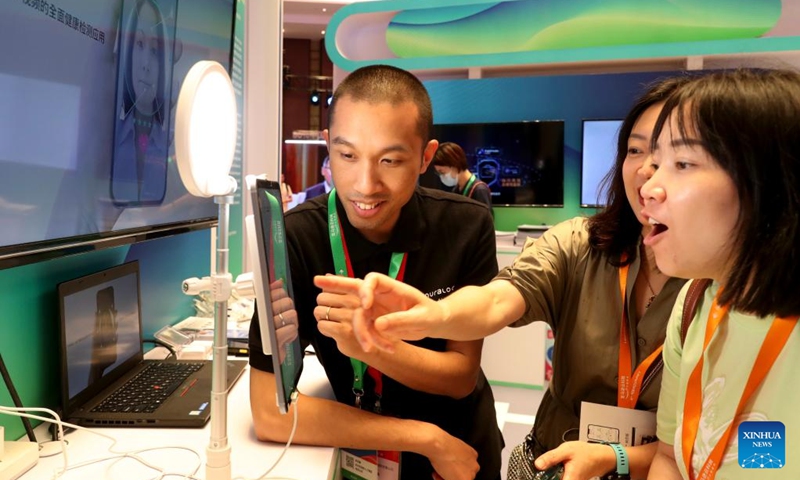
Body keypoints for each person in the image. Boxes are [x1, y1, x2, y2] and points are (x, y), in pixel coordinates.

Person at [317, 76, 693, 480]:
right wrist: (436, 314)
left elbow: (751, 448)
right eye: (636, 150)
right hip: (549, 466)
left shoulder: (738, 299)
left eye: (680, 160)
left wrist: (620, 458)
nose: (650, 176)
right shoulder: (580, 244)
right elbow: (498, 299)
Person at [248, 64, 503, 480]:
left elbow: (460, 376)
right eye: (347, 155)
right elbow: (271, 414)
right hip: (369, 448)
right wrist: (423, 437)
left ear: (425, 157)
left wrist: (365, 344)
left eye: (390, 160)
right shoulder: (294, 237)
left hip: (459, 454)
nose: (366, 185)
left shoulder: (466, 225)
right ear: (328, 148)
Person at [639, 69, 800, 479]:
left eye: (683, 163)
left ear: (767, 182)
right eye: (655, 163)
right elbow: (671, 457)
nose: (649, 186)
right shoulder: (694, 303)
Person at [111, 0, 173, 206]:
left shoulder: (171, 147)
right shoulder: (110, 135)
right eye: (139, 44)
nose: (146, 64)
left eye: (155, 52)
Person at [432, 142, 492, 210]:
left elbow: (485, 220)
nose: (441, 176)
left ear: (455, 165)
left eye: (442, 172)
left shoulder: (479, 190)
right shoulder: (456, 190)